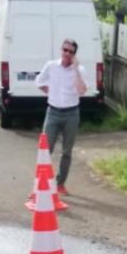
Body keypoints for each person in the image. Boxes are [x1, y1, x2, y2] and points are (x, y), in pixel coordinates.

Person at [35, 38, 88, 196]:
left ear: (74, 55)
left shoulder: (80, 70)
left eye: (71, 52)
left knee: (66, 152)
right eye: (65, 50)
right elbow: (39, 81)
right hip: (53, 113)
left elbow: (82, 90)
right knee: (45, 149)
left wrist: (77, 69)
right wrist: (49, 92)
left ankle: (60, 184)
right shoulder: (51, 66)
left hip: (71, 114)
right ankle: (41, 184)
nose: (67, 54)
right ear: (61, 50)